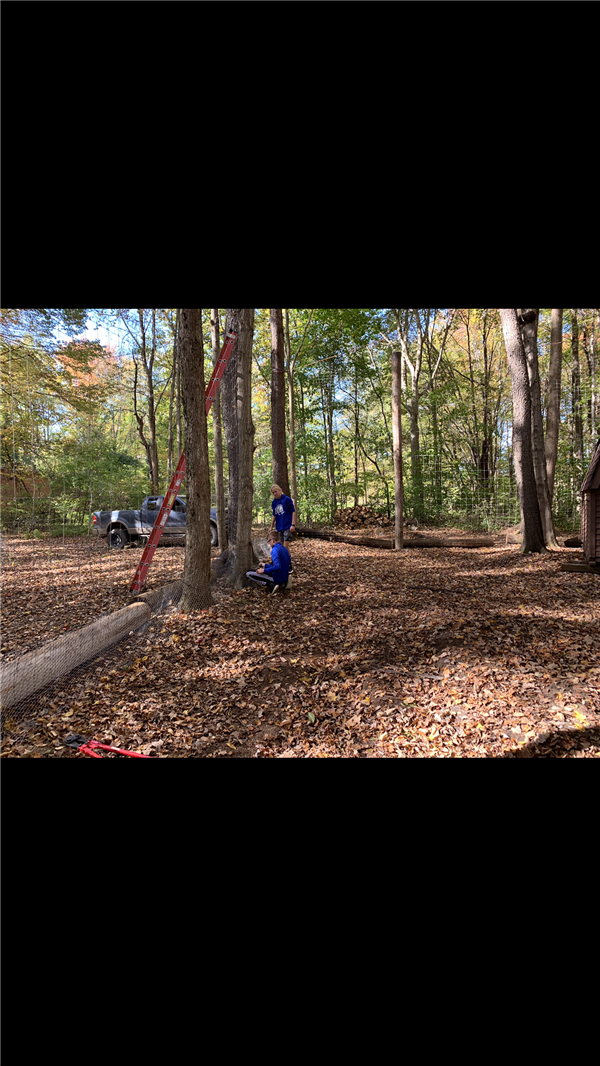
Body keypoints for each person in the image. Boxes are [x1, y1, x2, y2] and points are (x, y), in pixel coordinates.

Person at [270, 484, 296, 569]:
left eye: (276, 491)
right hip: (279, 527)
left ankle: (289, 565)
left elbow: (293, 512)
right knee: (280, 547)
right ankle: (281, 564)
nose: (275, 493)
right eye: (273, 492)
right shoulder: (274, 503)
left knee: (285, 547)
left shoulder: (287, 500)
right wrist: (271, 527)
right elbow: (274, 515)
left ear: (280, 490)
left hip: (287, 526)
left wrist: (293, 524)